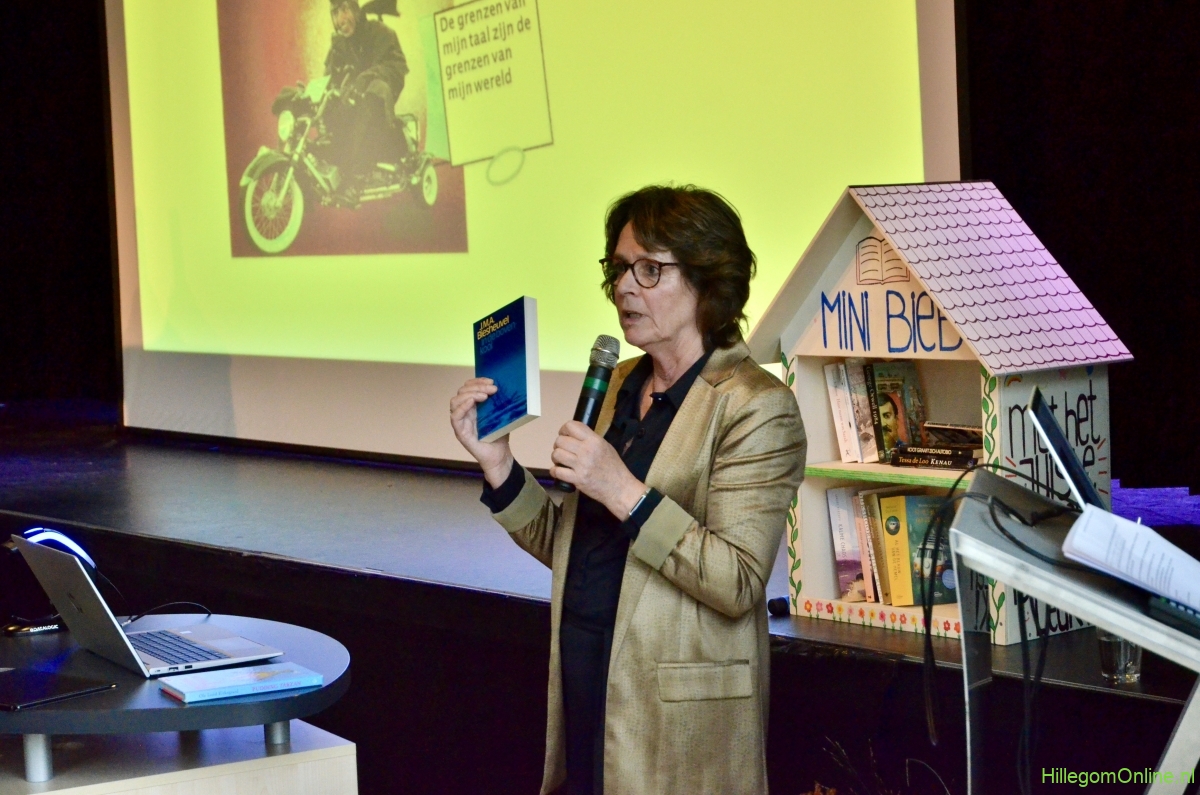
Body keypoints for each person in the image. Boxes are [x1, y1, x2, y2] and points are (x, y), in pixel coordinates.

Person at [450, 185, 807, 794]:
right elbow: (575, 545)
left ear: (707, 279)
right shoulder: (617, 382)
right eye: (618, 269)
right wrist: (499, 465)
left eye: (649, 269)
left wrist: (623, 491)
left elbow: (738, 580)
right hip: (586, 677)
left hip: (675, 718)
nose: (623, 287)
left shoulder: (756, 405)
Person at [323, 0, 408, 180]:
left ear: (355, 9)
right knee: (326, 107)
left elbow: (396, 68)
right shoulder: (338, 46)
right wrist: (314, 91)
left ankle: (360, 164)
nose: (340, 19)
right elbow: (328, 79)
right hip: (351, 106)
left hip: (375, 103)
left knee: (376, 91)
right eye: (335, 13)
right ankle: (333, 167)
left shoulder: (380, 32)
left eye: (344, 10)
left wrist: (367, 78)